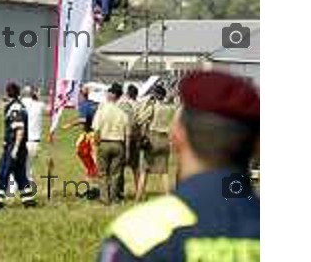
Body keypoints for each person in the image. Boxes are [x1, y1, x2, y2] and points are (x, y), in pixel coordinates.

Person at [98, 70, 260, 261]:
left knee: (145, 170)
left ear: (177, 135)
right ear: (257, 143)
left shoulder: (137, 236)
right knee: (163, 172)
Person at [0, 82, 36, 210]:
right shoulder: (19, 105)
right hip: (18, 146)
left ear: (7, 92)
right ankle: (29, 202)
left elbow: (19, 129)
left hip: (14, 146)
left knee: (2, 172)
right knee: (20, 175)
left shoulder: (15, 107)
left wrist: (15, 148)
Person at [92, 82, 130, 205]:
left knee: (102, 173)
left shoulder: (102, 110)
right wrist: (127, 150)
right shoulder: (123, 113)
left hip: (104, 142)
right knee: (116, 174)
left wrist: (96, 144)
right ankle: (114, 198)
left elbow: (96, 129)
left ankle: (104, 198)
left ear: (111, 94)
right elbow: (127, 134)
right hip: (119, 144)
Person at [135, 83, 173, 201]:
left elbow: (139, 119)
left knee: (144, 170)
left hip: (153, 138)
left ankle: (138, 197)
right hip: (166, 139)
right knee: (164, 171)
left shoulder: (152, 107)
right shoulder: (171, 108)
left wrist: (146, 102)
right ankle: (168, 197)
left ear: (155, 95)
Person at [62, 85, 99, 186]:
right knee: (84, 150)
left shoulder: (84, 105)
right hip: (96, 132)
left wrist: (69, 125)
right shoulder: (96, 104)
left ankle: (93, 173)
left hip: (90, 134)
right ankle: (92, 172)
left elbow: (83, 120)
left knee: (86, 152)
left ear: (80, 95)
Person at [117, 84, 140, 199]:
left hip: (122, 137)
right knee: (135, 167)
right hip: (135, 139)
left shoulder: (121, 105)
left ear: (127, 93)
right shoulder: (139, 105)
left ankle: (120, 192)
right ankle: (139, 191)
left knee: (120, 167)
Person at [20, 85, 46, 181]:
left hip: (20, 140)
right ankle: (28, 191)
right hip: (34, 142)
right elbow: (50, 111)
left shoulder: (18, 104)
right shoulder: (39, 105)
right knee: (28, 169)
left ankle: (11, 192)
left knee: (16, 168)